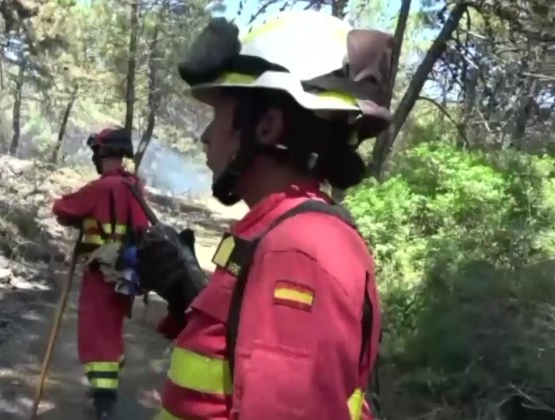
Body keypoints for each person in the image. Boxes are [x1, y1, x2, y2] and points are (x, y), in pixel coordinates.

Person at [135, 11, 394, 420]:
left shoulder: (299, 252)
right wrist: (188, 297)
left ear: (267, 126)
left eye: (219, 115)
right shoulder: (284, 232)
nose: (206, 135)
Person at [51, 127, 151, 419]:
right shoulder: (134, 186)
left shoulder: (102, 188)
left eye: (96, 152)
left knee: (96, 338)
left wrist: (78, 214)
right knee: (111, 331)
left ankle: (104, 402)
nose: (94, 158)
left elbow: (63, 208)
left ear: (104, 153)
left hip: (101, 275)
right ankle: (106, 387)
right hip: (126, 276)